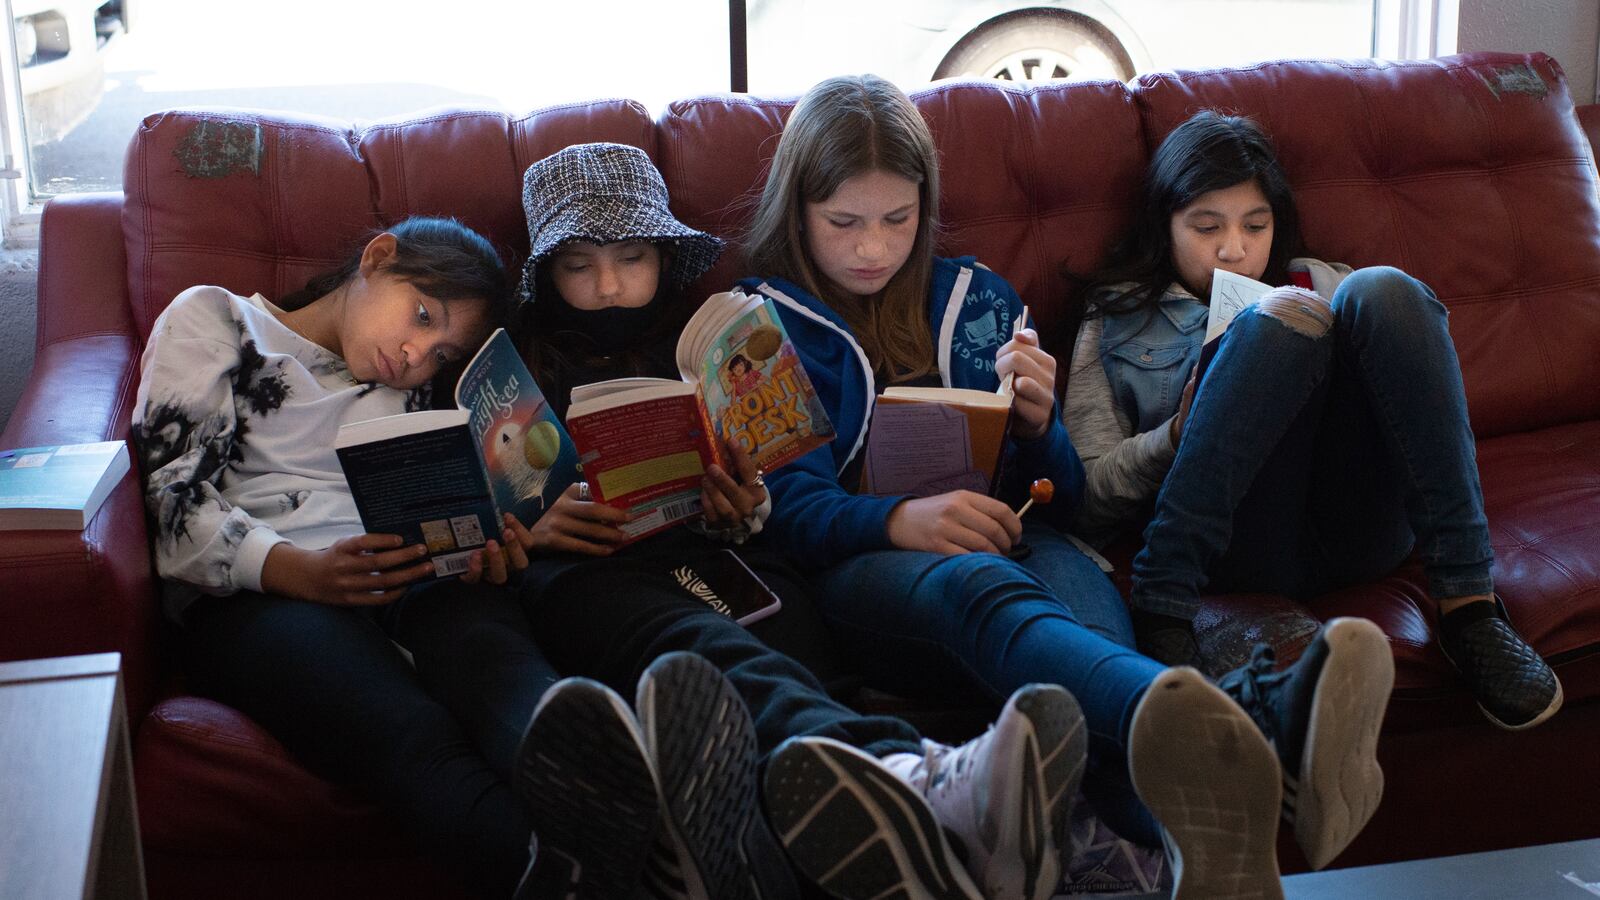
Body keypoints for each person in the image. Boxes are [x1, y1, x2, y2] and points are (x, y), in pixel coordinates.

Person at [737, 74, 1395, 893]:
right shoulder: (757, 329)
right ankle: (1262, 723)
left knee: (1090, 647)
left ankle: (1189, 857)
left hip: (1028, 537)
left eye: (897, 220)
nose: (872, 247)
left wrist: (1041, 430)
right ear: (798, 210)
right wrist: (899, 519)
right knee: (981, 587)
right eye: (844, 223)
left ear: (925, 208)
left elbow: (1071, 499)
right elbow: (782, 509)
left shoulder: (980, 302)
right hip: (870, 568)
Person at [483, 140, 1091, 900]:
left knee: (789, 634)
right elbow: (489, 526)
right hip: (595, 571)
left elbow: (776, 490)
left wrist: (744, 505)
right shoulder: (512, 368)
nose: (608, 285)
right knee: (691, 646)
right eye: (578, 266)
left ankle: (784, 854)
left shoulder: (708, 341)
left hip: (724, 553)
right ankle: (912, 783)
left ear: (663, 260)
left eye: (632, 257)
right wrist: (533, 529)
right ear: (545, 275)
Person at [1062, 110, 1561, 733]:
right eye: (1205, 226)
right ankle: (1161, 604)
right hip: (1234, 539)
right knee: (1280, 322)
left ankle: (1469, 608)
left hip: (1361, 526)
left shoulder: (1327, 280)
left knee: (1385, 290)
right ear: (1164, 226)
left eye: (1256, 225)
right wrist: (1175, 434)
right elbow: (1083, 497)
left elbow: (1418, 407)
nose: (1233, 249)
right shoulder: (1118, 318)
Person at [130, 217, 558, 897]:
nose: (418, 355)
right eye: (422, 315)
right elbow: (171, 501)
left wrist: (484, 545)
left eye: (443, 353)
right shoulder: (219, 320)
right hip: (261, 592)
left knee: (493, 659)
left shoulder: (419, 395)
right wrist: (302, 573)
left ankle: (590, 783)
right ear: (378, 256)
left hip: (410, 568)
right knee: (408, 732)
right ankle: (551, 872)